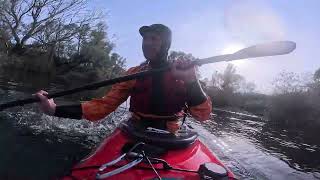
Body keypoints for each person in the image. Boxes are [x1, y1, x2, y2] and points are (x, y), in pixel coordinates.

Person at [36, 24, 212, 134]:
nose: (147, 43)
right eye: (145, 39)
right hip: (136, 129)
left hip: (171, 134)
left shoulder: (184, 73)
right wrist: (54, 110)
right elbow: (103, 107)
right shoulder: (134, 73)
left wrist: (191, 80)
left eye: (154, 39)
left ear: (166, 44)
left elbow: (203, 115)